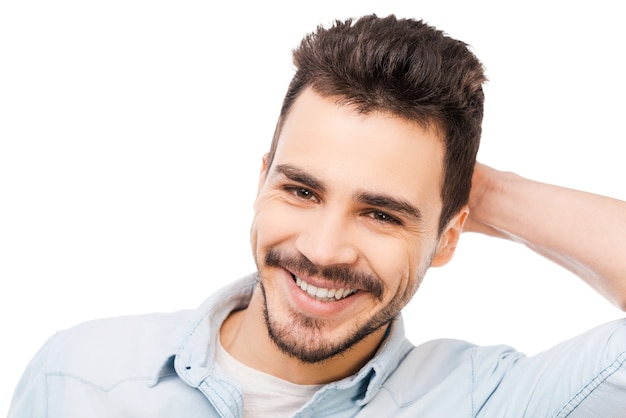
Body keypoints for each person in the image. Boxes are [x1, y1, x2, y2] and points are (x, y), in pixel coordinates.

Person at [8, 13, 626, 417]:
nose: (325, 250)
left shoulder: (489, 401)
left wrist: (484, 191)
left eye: (382, 213)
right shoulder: (78, 374)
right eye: (302, 191)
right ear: (262, 181)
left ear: (447, 237)